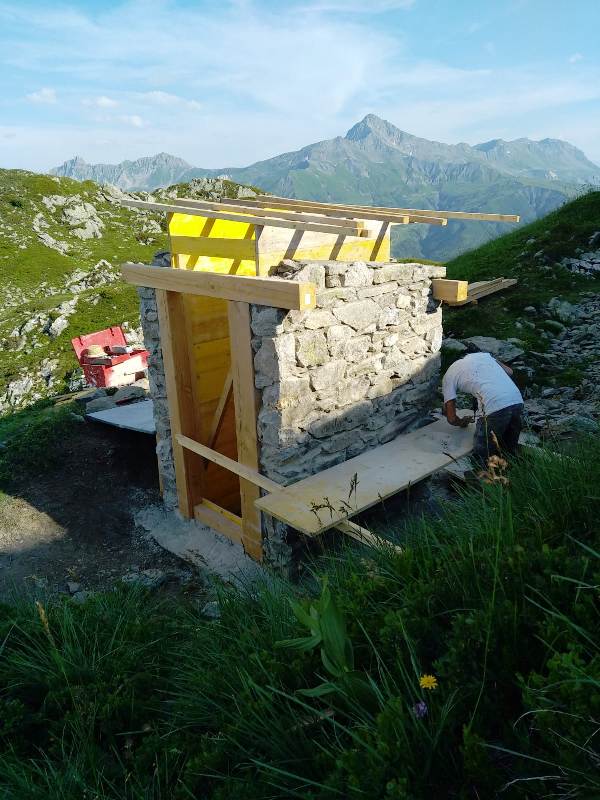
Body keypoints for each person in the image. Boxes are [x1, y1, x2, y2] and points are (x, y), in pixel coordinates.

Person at [442, 351, 524, 466]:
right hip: (516, 399)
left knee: (483, 451)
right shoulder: (485, 356)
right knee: (509, 446)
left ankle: (482, 481)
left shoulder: (449, 376)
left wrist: (462, 422)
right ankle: (510, 473)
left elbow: (451, 418)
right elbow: (510, 372)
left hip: (494, 405)